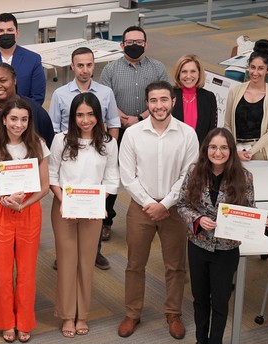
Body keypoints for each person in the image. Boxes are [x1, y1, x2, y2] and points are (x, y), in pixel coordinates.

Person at [177, 127, 268, 344]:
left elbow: (250, 213)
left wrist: (266, 224)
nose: (218, 152)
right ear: (206, 149)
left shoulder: (244, 177)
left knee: (220, 300)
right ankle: (200, 342)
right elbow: (182, 204)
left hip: (226, 249)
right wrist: (197, 220)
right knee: (200, 298)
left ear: (231, 151)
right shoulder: (194, 172)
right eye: (213, 147)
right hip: (198, 244)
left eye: (223, 147)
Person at [118, 81, 199, 339]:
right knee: (134, 263)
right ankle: (132, 313)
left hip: (175, 209)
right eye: (153, 101)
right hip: (141, 207)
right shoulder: (132, 134)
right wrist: (149, 204)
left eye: (164, 100)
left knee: (175, 265)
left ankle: (173, 312)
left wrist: (165, 204)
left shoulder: (187, 134)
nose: (159, 105)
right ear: (147, 104)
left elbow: (189, 176)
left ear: (173, 102)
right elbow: (127, 177)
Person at [0, 63, 53, 286]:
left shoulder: (33, 110)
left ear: (14, 81)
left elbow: (46, 143)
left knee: (25, 257)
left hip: (27, 200)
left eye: (3, 80)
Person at [49, 93, 119, 338]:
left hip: (92, 210)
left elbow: (112, 179)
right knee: (67, 262)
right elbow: (52, 176)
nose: (85, 120)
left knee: (86, 263)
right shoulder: (61, 140)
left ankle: (83, 315)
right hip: (64, 209)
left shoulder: (108, 143)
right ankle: (68, 315)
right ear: (73, 117)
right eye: (80, 115)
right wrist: (63, 200)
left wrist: (96, 202)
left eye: (90, 114)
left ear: (98, 116)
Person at [0, 98, 50, 343]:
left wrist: (24, 204)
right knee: (1, 272)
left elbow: (44, 188)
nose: (18, 124)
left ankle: (24, 321)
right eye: (13, 119)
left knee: (27, 271)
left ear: (29, 121)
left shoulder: (38, 144)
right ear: (4, 120)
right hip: (1, 210)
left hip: (29, 210)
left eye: (23, 119)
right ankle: (6, 321)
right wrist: (3, 198)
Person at [48, 46, 120, 270]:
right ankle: (65, 255)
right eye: (80, 65)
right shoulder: (60, 94)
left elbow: (114, 123)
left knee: (92, 212)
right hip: (69, 157)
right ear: (72, 66)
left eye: (89, 65)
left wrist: (107, 148)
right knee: (66, 219)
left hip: (96, 156)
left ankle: (93, 252)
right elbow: (53, 129)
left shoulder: (105, 93)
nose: (85, 70)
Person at [100, 25, 169, 242]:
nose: (134, 46)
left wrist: (139, 118)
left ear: (145, 44)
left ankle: (153, 216)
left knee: (149, 172)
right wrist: (123, 118)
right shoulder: (110, 69)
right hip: (117, 130)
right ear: (122, 45)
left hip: (149, 128)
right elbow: (105, 98)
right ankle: (105, 220)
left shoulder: (158, 68)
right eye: (129, 42)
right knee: (112, 174)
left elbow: (165, 97)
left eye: (139, 42)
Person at [224, 39, 268, 165]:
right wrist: (234, 151)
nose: (255, 73)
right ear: (248, 66)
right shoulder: (235, 91)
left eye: (260, 68)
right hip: (235, 152)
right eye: (252, 67)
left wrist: (250, 152)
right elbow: (227, 125)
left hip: (260, 152)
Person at [172, 54, 218, 146]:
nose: (188, 76)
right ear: (178, 74)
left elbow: (212, 131)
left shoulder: (209, 97)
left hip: (200, 154)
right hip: (174, 153)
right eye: (184, 72)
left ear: (199, 73)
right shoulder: (169, 95)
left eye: (193, 71)